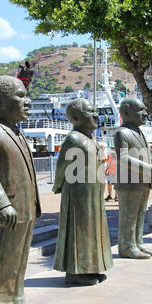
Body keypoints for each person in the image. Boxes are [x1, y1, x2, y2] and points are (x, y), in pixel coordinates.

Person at [0, 75, 48, 304]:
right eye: (20, 96)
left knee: (19, 259)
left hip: (25, 208)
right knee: (4, 261)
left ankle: (17, 299)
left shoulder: (15, 132)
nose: (27, 102)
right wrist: (2, 204)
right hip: (5, 211)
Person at [53, 98, 113, 286]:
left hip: (93, 193)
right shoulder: (74, 139)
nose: (96, 115)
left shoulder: (90, 139)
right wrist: (58, 185)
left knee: (93, 229)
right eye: (90, 111)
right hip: (78, 194)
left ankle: (91, 267)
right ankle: (74, 271)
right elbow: (62, 165)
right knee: (79, 230)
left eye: (95, 111)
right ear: (76, 117)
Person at [114, 97, 152, 259]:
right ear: (126, 112)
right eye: (141, 110)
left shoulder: (138, 132)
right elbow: (123, 158)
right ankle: (127, 246)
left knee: (140, 213)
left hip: (143, 181)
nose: (145, 113)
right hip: (129, 183)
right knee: (129, 215)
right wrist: (149, 168)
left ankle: (138, 242)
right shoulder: (122, 133)